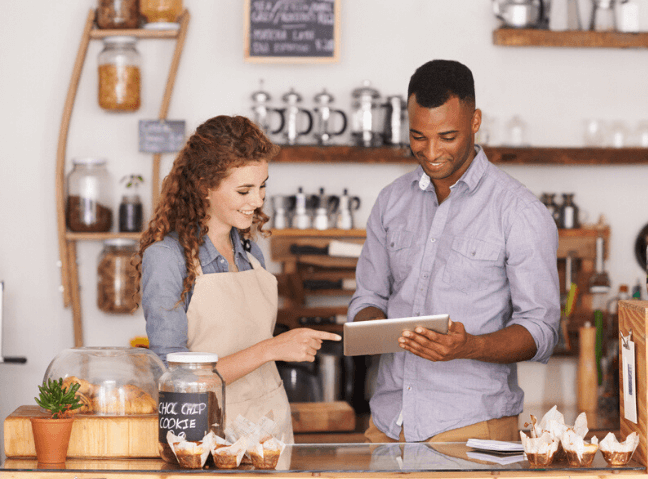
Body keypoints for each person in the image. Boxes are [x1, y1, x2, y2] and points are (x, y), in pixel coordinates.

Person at [348, 60, 560, 443]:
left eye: (447, 137)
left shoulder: (520, 212)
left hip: (472, 430)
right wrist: (371, 328)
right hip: (387, 427)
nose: (431, 152)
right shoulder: (391, 202)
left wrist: (471, 346)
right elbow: (369, 297)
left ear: (475, 121)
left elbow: (541, 329)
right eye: (417, 137)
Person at [139, 115, 340, 445]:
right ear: (205, 185)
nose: (258, 201)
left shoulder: (249, 252)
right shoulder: (167, 258)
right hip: (207, 438)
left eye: (262, 186)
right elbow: (173, 380)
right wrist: (271, 349)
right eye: (244, 190)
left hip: (270, 429)